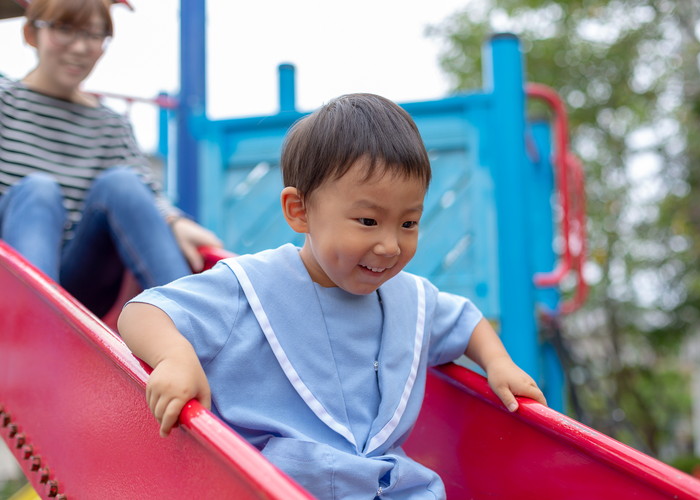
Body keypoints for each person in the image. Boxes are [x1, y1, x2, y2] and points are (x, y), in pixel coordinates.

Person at [118, 93, 546, 499]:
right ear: (299, 211)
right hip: (276, 486)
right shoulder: (248, 286)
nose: (390, 245)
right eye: (367, 220)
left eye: (409, 223)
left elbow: (464, 320)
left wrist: (499, 363)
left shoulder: (408, 299)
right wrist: (176, 357)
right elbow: (144, 312)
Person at [0, 0, 221, 317]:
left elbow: (144, 190)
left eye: (94, 35)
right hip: (11, 278)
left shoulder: (110, 125)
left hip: (80, 283)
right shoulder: (5, 102)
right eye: (64, 29)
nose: (79, 47)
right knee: (38, 191)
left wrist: (173, 220)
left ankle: (195, 324)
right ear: (31, 34)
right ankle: (35, 328)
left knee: (122, 182)